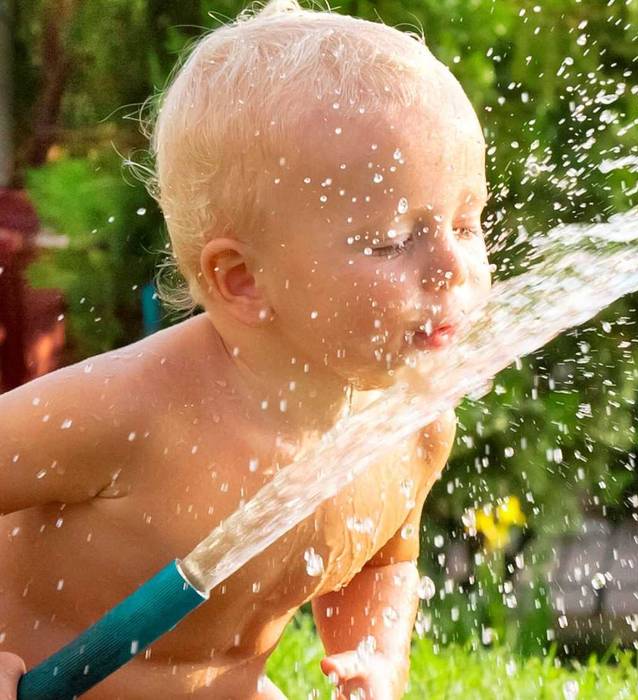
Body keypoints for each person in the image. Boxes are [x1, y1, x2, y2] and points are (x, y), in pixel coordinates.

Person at [0, 0, 491, 697]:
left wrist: (375, 656)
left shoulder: (408, 429)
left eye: (467, 223)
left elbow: (382, 561)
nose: (451, 267)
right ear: (243, 280)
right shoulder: (132, 412)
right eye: (391, 240)